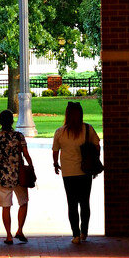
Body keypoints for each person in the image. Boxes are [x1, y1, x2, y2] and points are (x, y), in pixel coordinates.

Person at [52, 100, 101, 245]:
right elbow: (97, 146)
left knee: (72, 203)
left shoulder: (60, 132)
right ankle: (84, 231)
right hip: (85, 172)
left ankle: (75, 235)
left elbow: (55, 151)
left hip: (68, 173)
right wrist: (94, 160)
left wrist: (56, 164)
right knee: (85, 202)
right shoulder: (88, 129)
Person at [0, 109, 32, 244]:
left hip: (2, 175)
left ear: (0, 122)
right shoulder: (19, 137)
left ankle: (8, 235)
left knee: (6, 206)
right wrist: (30, 166)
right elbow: (25, 153)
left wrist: (3, 160)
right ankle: (19, 230)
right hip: (18, 174)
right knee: (23, 202)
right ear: (12, 121)